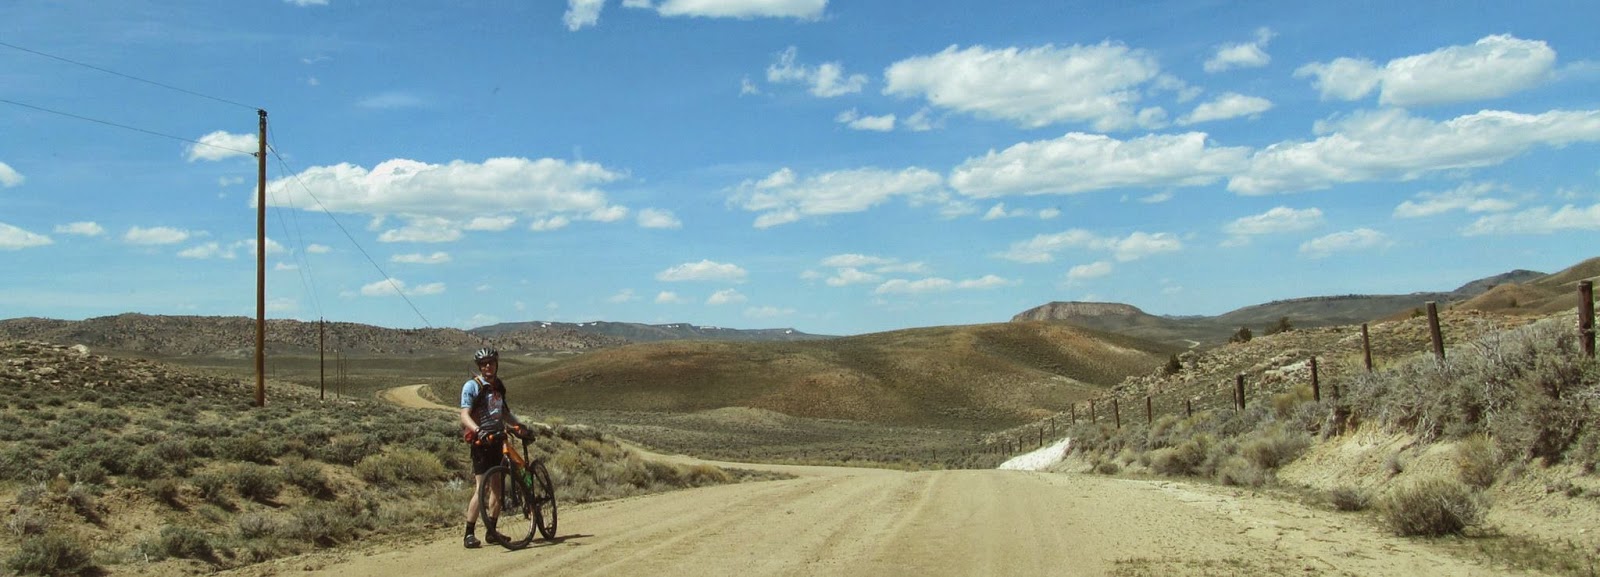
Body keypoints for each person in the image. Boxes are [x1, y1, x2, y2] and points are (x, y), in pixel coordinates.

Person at [459, 346, 528, 549]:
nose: (487, 366)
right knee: (482, 487)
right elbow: (464, 414)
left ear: (496, 364)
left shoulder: (498, 386)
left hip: (498, 440)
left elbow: (504, 413)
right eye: (483, 364)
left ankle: (492, 531)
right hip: (481, 442)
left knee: (497, 489)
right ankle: (469, 533)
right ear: (479, 366)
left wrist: (519, 426)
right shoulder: (472, 386)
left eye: (491, 363)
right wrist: (478, 430)